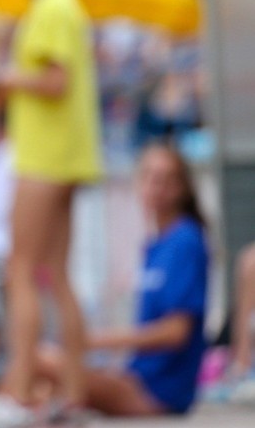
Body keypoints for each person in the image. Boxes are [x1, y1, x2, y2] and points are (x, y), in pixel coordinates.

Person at [0, 0, 104, 425]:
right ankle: (70, 392)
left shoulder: (53, 5)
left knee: (20, 268)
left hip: (46, 156)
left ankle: (22, 390)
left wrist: (6, 76)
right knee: (55, 274)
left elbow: (56, 82)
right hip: (65, 154)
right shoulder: (56, 4)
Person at [32, 143, 209, 417]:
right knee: (42, 378)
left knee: (43, 360)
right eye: (149, 177)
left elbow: (176, 332)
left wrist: (96, 341)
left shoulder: (185, 240)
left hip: (158, 392)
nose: (156, 187)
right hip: (138, 377)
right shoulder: (155, 244)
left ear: (182, 187)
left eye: (166, 179)